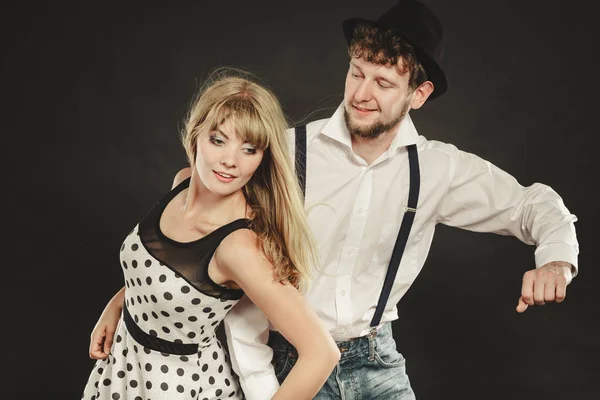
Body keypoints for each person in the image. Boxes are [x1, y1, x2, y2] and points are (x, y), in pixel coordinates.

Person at [90, 1, 579, 399]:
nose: (361, 94)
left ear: (420, 93)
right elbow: (192, 241)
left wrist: (556, 261)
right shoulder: (279, 154)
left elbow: (532, 204)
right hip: (286, 360)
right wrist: (125, 301)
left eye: (383, 83)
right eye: (356, 73)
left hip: (378, 361)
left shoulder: (438, 169)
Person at [82, 69, 340, 400]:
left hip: (176, 389)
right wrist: (117, 305)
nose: (230, 161)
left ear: (263, 159)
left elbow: (321, 353)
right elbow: (162, 272)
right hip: (124, 366)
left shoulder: (239, 247)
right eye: (218, 140)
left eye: (250, 149)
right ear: (195, 136)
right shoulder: (183, 182)